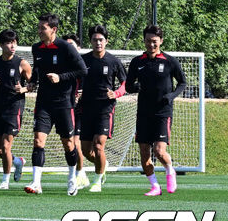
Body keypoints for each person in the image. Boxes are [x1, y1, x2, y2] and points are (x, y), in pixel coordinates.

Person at [25, 13, 88, 196]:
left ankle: (71, 179)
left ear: (54, 30)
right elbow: (37, 68)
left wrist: (60, 77)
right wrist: (32, 82)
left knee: (68, 144)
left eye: (42, 28)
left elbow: (82, 70)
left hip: (64, 103)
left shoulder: (65, 48)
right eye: (38, 28)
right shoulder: (36, 48)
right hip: (44, 103)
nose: (39, 31)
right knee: (38, 141)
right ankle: (36, 182)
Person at [125, 25, 186, 196]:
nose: (151, 44)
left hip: (162, 112)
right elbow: (129, 85)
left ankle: (170, 170)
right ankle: (155, 186)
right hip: (144, 112)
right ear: (143, 41)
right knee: (144, 153)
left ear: (160, 41)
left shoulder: (169, 61)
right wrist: (136, 87)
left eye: (154, 41)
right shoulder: (138, 62)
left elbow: (182, 82)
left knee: (159, 151)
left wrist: (172, 95)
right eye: (148, 41)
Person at [78, 25, 127, 193]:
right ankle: (103, 165)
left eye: (101, 40)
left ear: (106, 41)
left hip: (105, 109)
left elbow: (124, 82)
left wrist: (117, 93)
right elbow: (75, 79)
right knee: (86, 150)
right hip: (86, 109)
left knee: (99, 146)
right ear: (90, 41)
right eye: (94, 40)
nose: (98, 42)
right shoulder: (83, 60)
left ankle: (97, 181)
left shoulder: (113, 61)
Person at [0, 29, 30, 190]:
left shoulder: (22, 63)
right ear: (1, 45)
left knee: (5, 147)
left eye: (15, 43)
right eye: (9, 43)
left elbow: (33, 84)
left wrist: (23, 90)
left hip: (14, 108)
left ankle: (5, 180)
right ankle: (17, 161)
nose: (13, 46)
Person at [61, 32, 89, 188]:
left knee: (77, 143)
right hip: (66, 107)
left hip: (82, 109)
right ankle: (80, 172)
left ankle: (80, 174)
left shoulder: (84, 64)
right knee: (71, 143)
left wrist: (82, 93)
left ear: (78, 47)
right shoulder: (62, 64)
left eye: (71, 45)